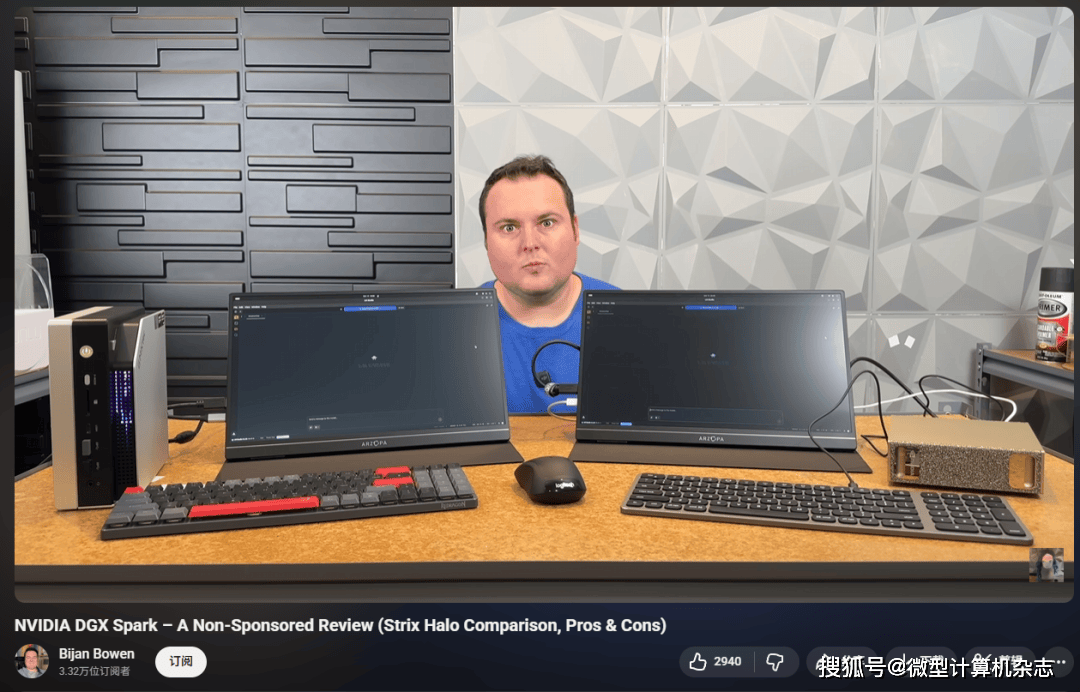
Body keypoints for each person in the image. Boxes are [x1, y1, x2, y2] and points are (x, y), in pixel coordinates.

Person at [479, 155, 617, 413]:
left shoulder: (627, 319)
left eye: (547, 223)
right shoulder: (453, 327)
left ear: (575, 229)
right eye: (509, 228)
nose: (530, 243)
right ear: (486, 241)